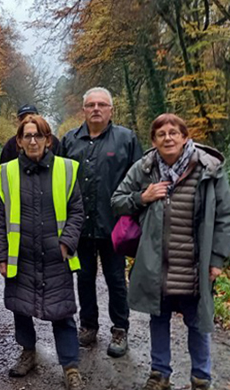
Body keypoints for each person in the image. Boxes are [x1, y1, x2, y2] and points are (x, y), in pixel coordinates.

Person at [111, 114, 230, 390]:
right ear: (153, 140)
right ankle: (160, 378)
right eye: (161, 134)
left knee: (198, 324)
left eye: (173, 133)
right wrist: (143, 197)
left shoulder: (209, 169)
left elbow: (225, 217)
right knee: (158, 320)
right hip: (157, 265)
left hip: (195, 266)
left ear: (184, 137)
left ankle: (202, 385)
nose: (168, 138)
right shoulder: (144, 168)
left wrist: (217, 259)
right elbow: (117, 200)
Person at [0, 115, 87, 390]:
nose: (33, 140)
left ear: (48, 140)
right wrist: (0, 254)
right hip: (20, 255)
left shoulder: (66, 169)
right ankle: (28, 352)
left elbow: (77, 212)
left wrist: (66, 244)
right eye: (27, 136)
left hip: (55, 256)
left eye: (39, 135)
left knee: (63, 313)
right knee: (20, 308)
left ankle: (71, 368)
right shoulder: (8, 172)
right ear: (19, 141)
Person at [58, 87, 142, 357]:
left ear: (110, 110)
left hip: (114, 226)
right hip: (79, 226)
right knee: (83, 278)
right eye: (91, 105)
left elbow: (140, 179)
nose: (96, 109)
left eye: (101, 104)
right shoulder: (70, 140)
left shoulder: (126, 139)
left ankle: (120, 328)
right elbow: (59, 182)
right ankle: (89, 325)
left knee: (116, 279)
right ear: (83, 110)